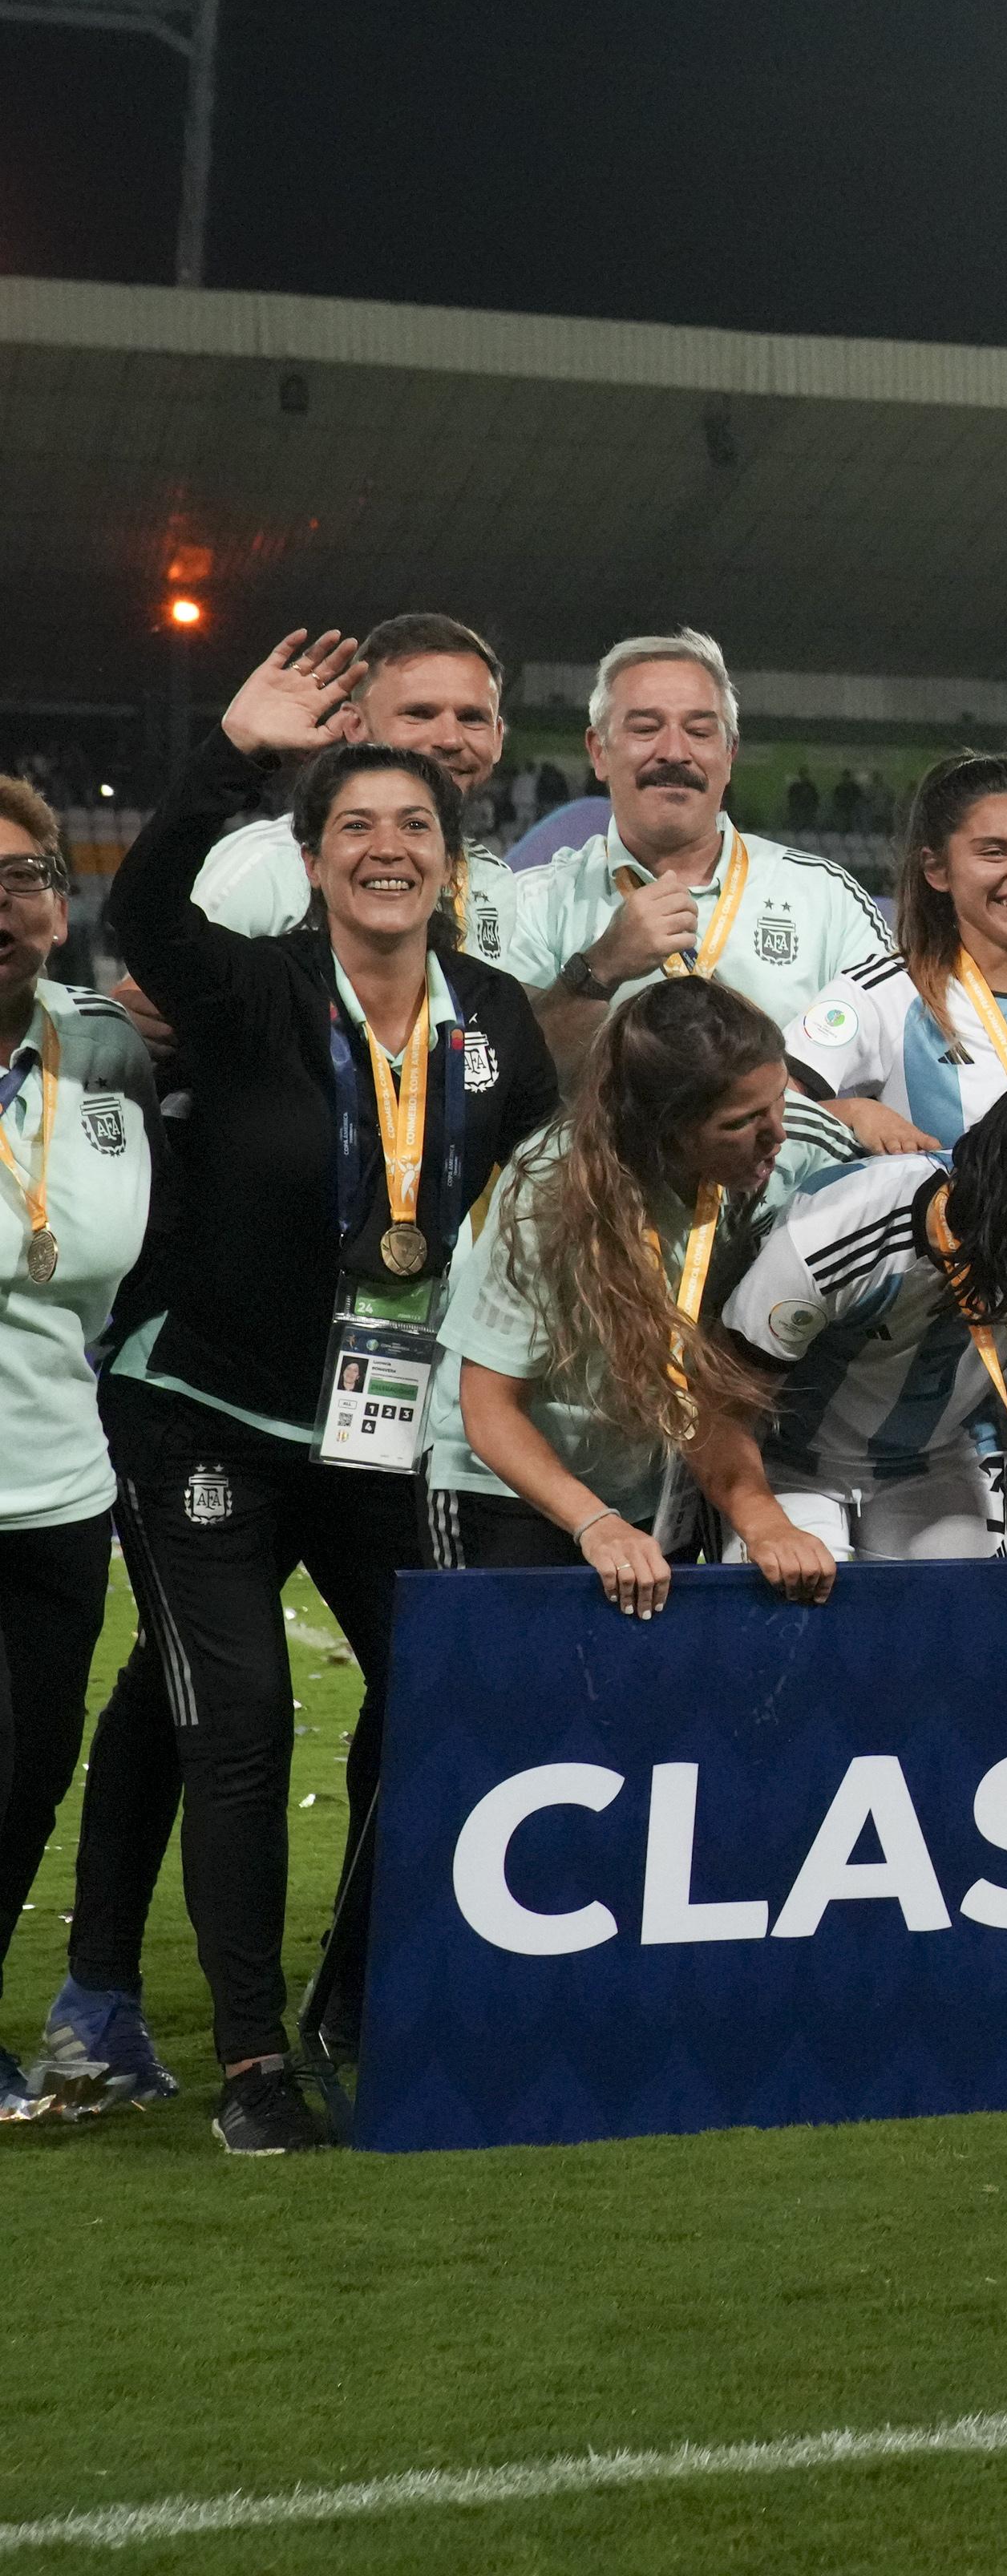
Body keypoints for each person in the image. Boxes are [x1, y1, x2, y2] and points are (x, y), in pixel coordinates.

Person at [51, 632, 562, 2154]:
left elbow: (524, 1212)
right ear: (314, 856)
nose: (388, 848)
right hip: (201, 1410)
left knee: (440, 1697)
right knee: (244, 1718)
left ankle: (358, 1993)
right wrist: (234, 754)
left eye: (415, 826)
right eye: (355, 825)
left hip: (383, 1426)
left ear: (450, 862)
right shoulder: (250, 994)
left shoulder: (495, 1027)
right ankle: (255, 2061)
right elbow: (137, 905)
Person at [692, 1082, 1007, 1591]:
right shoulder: (834, 1231)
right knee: (797, 1639)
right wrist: (768, 1528)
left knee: (949, 1644)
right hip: (786, 1466)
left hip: (932, 1463)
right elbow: (718, 1411)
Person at [427, 978, 802, 1602]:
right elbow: (489, 1406)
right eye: (741, 1122)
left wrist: (764, 1520)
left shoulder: (772, 1160)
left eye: (780, 1101)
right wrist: (595, 1524)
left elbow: (704, 1386)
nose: (778, 1135)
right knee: (511, 1698)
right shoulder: (553, 1190)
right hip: (508, 1489)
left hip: (652, 1489)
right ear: (666, 1129)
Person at [0, 778, 152, 2124]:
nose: (0, 906)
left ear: (56, 904)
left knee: (31, 1765)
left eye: (21, 877)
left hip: (56, 1485)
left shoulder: (99, 1057)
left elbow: (117, 1255)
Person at [512, 630, 889, 1035]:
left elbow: (896, 1037)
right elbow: (502, 1076)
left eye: (700, 732)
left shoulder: (825, 897)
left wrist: (795, 1086)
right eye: (645, 728)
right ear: (599, 752)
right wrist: (599, 967)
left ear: (729, 756)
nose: (674, 752)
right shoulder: (531, 904)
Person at [787, 756, 1007, 1153]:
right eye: (995, 852)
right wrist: (853, 1114)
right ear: (936, 870)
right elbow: (767, 1103)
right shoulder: (884, 994)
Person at [175, 612, 523, 960]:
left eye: (472, 718)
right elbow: (147, 1003)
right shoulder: (269, 865)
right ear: (355, 726)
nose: (450, 739)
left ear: (497, 738)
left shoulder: (495, 883)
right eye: (419, 713)